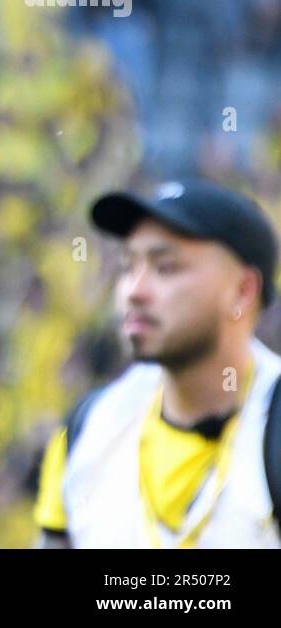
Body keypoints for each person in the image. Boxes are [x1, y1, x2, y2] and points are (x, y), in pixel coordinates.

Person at [36, 179, 281, 548]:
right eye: (126, 266)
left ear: (242, 290)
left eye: (165, 268)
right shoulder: (87, 428)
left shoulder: (271, 426)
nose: (135, 290)